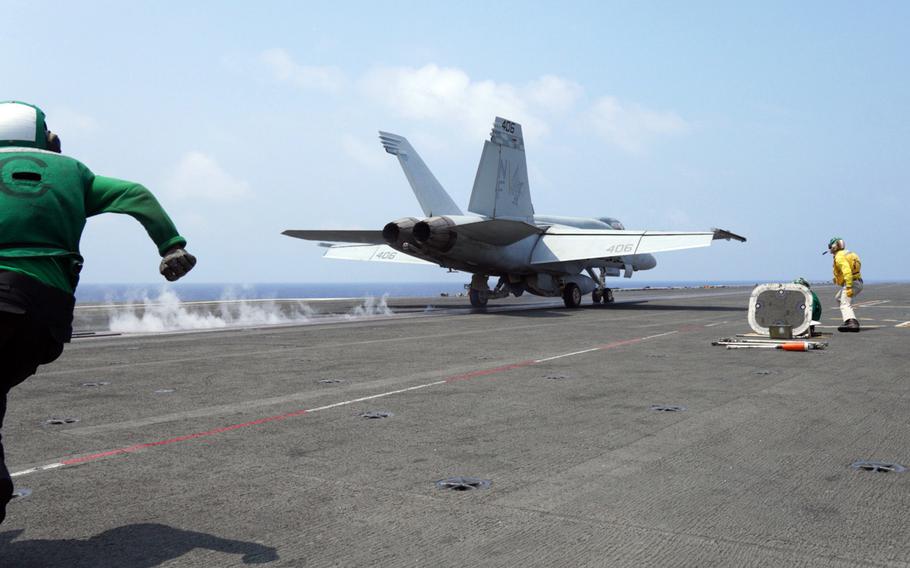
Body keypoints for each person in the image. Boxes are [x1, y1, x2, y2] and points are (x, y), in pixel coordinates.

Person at [0, 101, 197, 524]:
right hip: (45, 318)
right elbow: (136, 194)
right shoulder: (72, 172)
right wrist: (172, 245)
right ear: (47, 139)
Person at [825, 237, 862, 332]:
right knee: (838, 298)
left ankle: (852, 323)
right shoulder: (850, 253)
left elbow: (847, 271)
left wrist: (849, 286)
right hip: (858, 281)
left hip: (852, 283)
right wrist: (838, 279)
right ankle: (848, 320)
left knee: (844, 303)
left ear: (834, 246)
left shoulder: (839, 256)